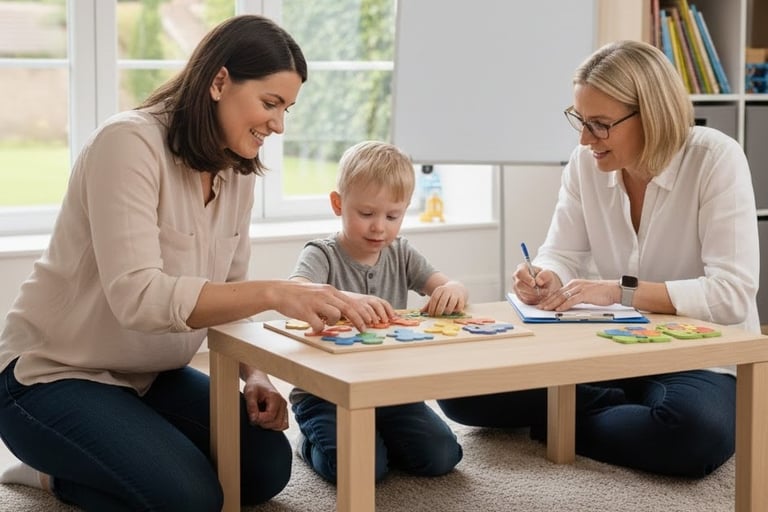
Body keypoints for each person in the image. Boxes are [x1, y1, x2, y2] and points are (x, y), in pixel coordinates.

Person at [0, 15, 380, 511]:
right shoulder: (128, 144)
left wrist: (256, 376)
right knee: (193, 500)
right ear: (219, 81)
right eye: (270, 104)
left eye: (287, 108)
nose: (279, 124)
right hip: (52, 377)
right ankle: (52, 474)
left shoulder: (238, 169)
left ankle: (115, 452)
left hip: (150, 375)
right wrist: (278, 292)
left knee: (265, 468)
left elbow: (231, 294)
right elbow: (137, 298)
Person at [438, 40, 759, 478]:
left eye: (600, 125)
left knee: (693, 435)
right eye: (580, 121)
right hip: (602, 347)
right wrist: (546, 275)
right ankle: (613, 409)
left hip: (695, 355)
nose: (585, 139)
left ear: (651, 115)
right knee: (461, 394)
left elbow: (732, 295)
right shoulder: (584, 164)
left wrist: (620, 291)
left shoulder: (715, 159)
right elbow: (562, 252)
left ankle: (561, 422)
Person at [288, 140, 467, 483]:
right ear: (338, 204)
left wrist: (453, 290)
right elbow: (297, 293)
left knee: (443, 455)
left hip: (390, 389)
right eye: (366, 214)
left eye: (392, 216)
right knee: (363, 470)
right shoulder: (320, 254)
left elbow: (449, 284)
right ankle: (309, 444)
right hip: (325, 395)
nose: (379, 227)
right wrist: (344, 298)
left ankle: (380, 443)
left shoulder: (401, 252)